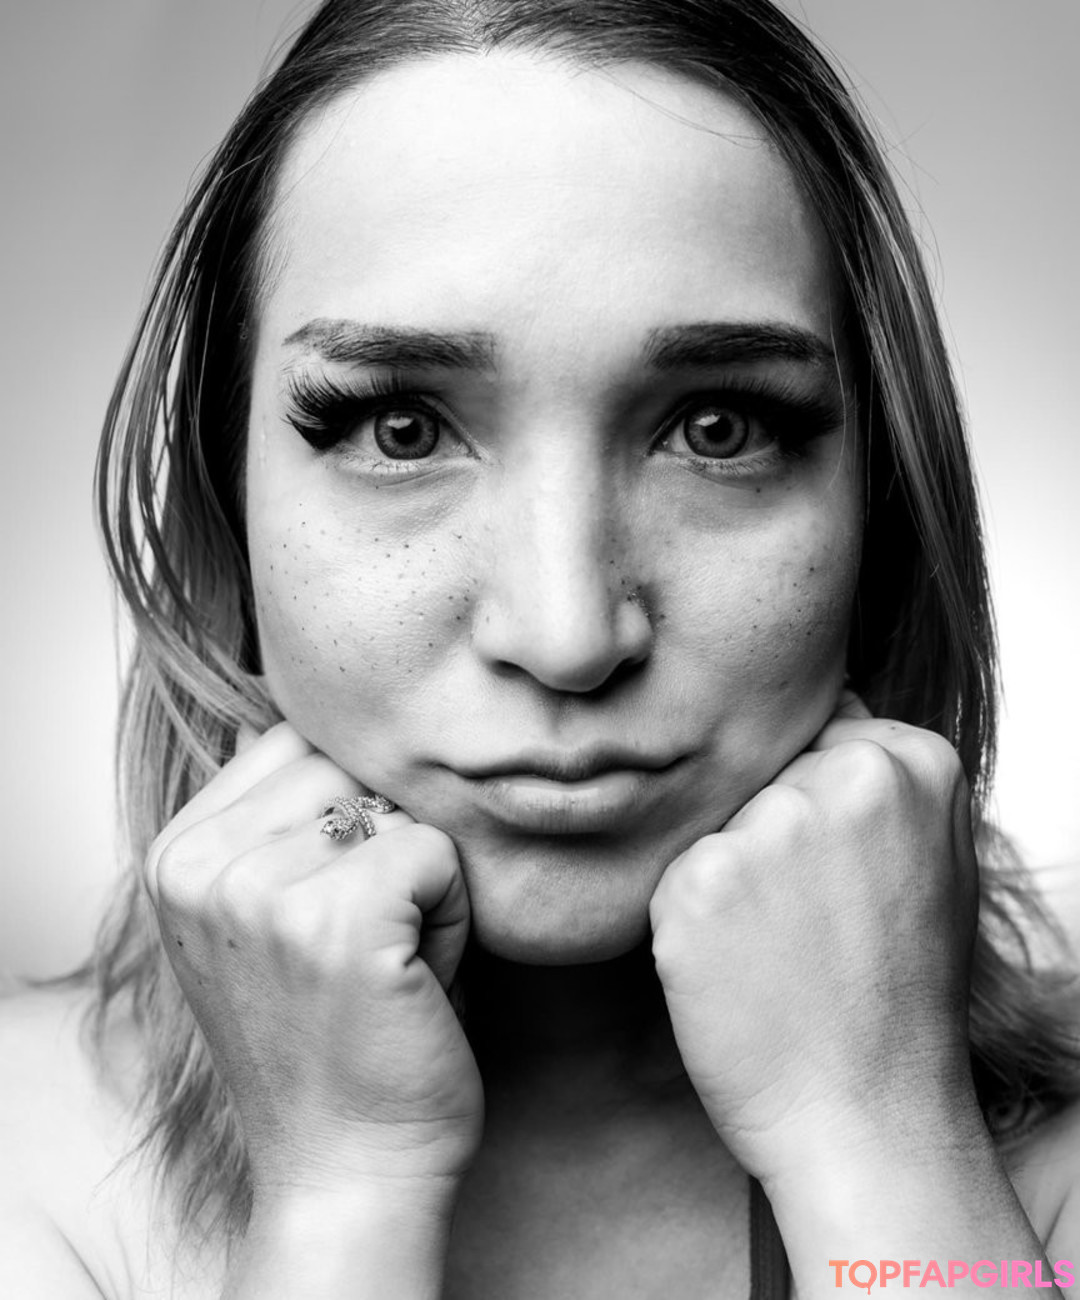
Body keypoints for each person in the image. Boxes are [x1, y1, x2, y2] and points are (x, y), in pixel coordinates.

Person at [1, 0, 1078, 1295]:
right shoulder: (28, 1165)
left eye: (720, 428)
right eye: (401, 428)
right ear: (231, 503)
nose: (568, 636)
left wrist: (884, 1146)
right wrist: (341, 1197)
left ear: (880, 508)